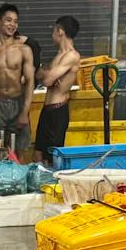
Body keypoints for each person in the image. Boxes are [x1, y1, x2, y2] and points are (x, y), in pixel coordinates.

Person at [0, 4, 34, 155]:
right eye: (9, 20)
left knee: (19, 154)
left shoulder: (24, 50)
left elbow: (30, 82)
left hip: (17, 102)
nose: (12, 25)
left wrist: (25, 111)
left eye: (15, 21)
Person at [33, 15, 81, 164]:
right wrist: (47, 74)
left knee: (53, 157)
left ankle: (54, 185)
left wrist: (47, 75)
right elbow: (39, 73)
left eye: (54, 30)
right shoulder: (58, 56)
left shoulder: (72, 55)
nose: (52, 34)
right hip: (47, 110)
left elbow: (46, 79)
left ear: (60, 31)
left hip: (57, 111)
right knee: (37, 155)